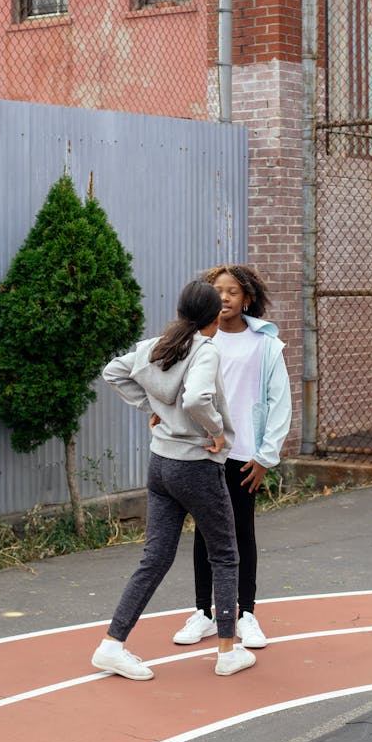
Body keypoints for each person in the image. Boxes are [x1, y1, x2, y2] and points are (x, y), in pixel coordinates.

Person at [91, 280, 256, 680]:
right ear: (213, 315)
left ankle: (112, 644)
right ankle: (228, 651)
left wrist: (151, 406)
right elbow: (198, 398)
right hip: (196, 466)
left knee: (155, 558)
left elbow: (113, 371)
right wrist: (216, 431)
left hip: (160, 464)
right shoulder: (205, 350)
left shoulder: (155, 345)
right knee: (224, 554)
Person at [173, 265, 292, 651]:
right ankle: (203, 614)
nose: (224, 298)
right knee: (204, 534)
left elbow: (279, 403)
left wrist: (265, 456)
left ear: (248, 298)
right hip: (202, 452)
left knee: (242, 533)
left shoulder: (266, 345)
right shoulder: (194, 339)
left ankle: (246, 615)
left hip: (243, 455)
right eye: (217, 291)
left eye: (233, 292)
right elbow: (174, 385)